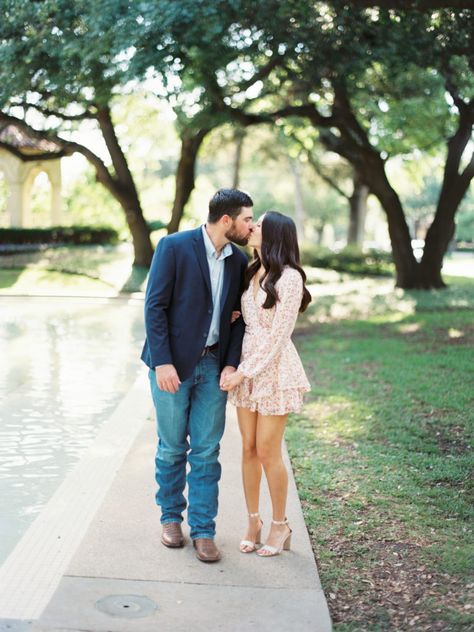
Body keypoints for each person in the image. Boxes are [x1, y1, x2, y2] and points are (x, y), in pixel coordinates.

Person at [141, 188, 253, 563]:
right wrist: (163, 363)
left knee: (207, 450)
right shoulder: (173, 247)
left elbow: (240, 319)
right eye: (247, 219)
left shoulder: (238, 260)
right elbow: (154, 307)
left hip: (213, 365)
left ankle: (204, 530)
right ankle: (171, 518)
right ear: (227, 220)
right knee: (172, 447)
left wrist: (231, 363)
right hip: (172, 365)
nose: (250, 226)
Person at [221, 211, 311, 557]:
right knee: (248, 448)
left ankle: (280, 524)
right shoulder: (252, 270)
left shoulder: (289, 279)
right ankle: (253, 520)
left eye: (258, 224)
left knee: (269, 451)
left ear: (274, 235)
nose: (252, 227)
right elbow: (248, 319)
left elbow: (277, 337)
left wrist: (245, 372)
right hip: (245, 365)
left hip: (273, 371)